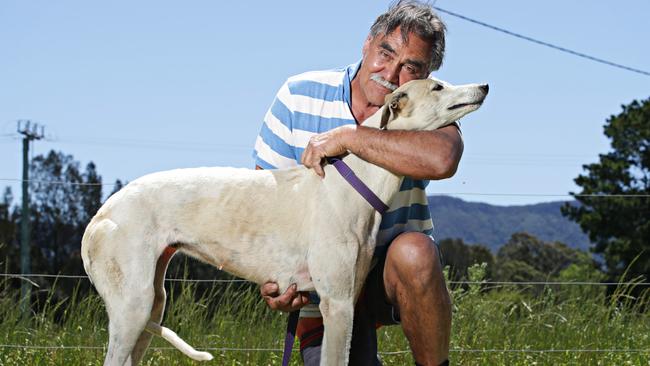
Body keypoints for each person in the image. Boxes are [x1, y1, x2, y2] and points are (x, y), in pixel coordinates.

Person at [252, 1, 459, 365]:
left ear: (427, 75)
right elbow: (263, 205)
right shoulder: (299, 94)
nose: (391, 73)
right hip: (319, 278)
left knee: (417, 252)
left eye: (411, 67)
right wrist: (273, 278)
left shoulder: (424, 107)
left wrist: (350, 138)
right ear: (366, 43)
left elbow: (443, 158)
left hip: (386, 275)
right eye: (385, 53)